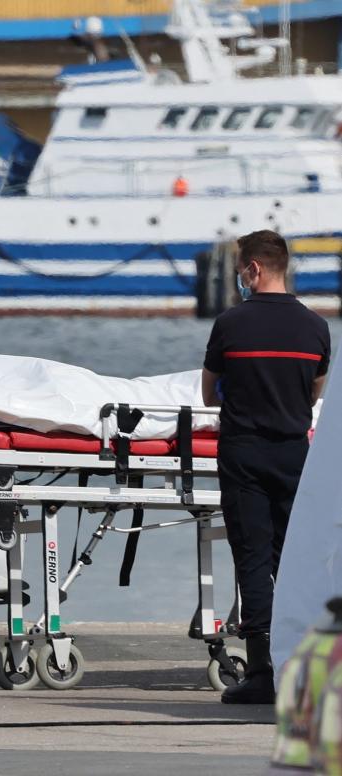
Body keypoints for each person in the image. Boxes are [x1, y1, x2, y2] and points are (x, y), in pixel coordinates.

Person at [201, 229, 329, 705]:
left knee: (253, 562)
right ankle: (307, 668)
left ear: (254, 269)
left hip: (244, 454)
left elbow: (207, 392)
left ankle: (261, 672)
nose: (238, 276)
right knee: (295, 562)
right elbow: (314, 392)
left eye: (239, 268)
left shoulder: (231, 324)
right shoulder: (316, 327)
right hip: (294, 453)